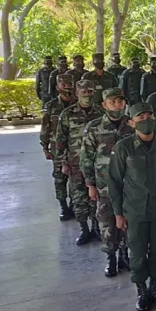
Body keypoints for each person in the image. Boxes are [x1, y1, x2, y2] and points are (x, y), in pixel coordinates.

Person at [108, 102, 156, 311]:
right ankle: (141, 291)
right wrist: (118, 213)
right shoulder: (123, 148)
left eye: (149, 116)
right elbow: (115, 182)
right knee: (138, 253)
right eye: (140, 117)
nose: (146, 120)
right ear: (131, 122)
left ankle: (155, 288)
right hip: (135, 209)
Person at [81, 88, 134, 277]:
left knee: (127, 221)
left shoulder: (131, 126)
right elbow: (86, 158)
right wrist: (90, 185)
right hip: (104, 186)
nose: (118, 105)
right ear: (104, 105)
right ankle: (110, 258)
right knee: (106, 223)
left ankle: (124, 255)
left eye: (121, 101)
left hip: (129, 186)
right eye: (113, 102)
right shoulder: (94, 128)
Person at [55, 80, 104, 245]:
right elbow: (60, 141)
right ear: (77, 93)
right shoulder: (68, 114)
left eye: (90, 92)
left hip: (97, 164)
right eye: (83, 92)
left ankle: (96, 228)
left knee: (96, 198)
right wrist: (63, 162)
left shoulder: (101, 112)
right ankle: (84, 229)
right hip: (75, 164)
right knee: (79, 199)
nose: (87, 95)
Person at [40, 73, 76, 220]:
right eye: (64, 85)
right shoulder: (51, 106)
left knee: (76, 179)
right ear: (57, 87)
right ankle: (63, 206)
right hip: (57, 149)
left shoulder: (79, 104)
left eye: (70, 85)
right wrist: (45, 148)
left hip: (76, 149)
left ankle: (74, 205)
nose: (67, 88)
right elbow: (45, 128)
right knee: (60, 178)